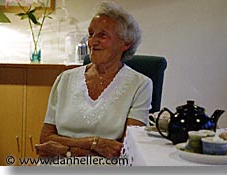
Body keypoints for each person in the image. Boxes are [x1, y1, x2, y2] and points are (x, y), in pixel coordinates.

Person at [35, 1, 152, 159]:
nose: (92, 41)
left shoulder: (140, 84)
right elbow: (46, 139)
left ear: (125, 44)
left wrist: (64, 147)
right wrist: (93, 143)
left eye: (102, 35)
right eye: (91, 34)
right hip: (58, 163)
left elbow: (126, 150)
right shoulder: (65, 78)